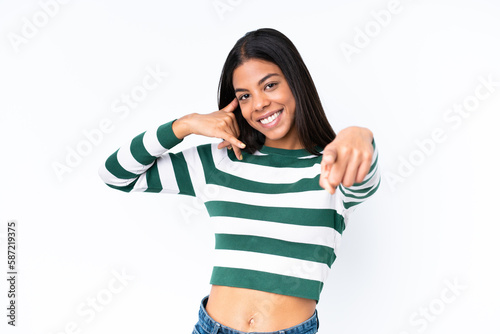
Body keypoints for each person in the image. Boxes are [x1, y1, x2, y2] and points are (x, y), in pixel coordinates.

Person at [99, 28, 381, 334]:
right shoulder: (222, 160)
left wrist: (360, 134)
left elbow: (367, 179)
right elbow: (116, 174)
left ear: (296, 83)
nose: (258, 103)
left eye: (270, 85)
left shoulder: (331, 165)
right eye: (244, 96)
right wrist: (184, 125)